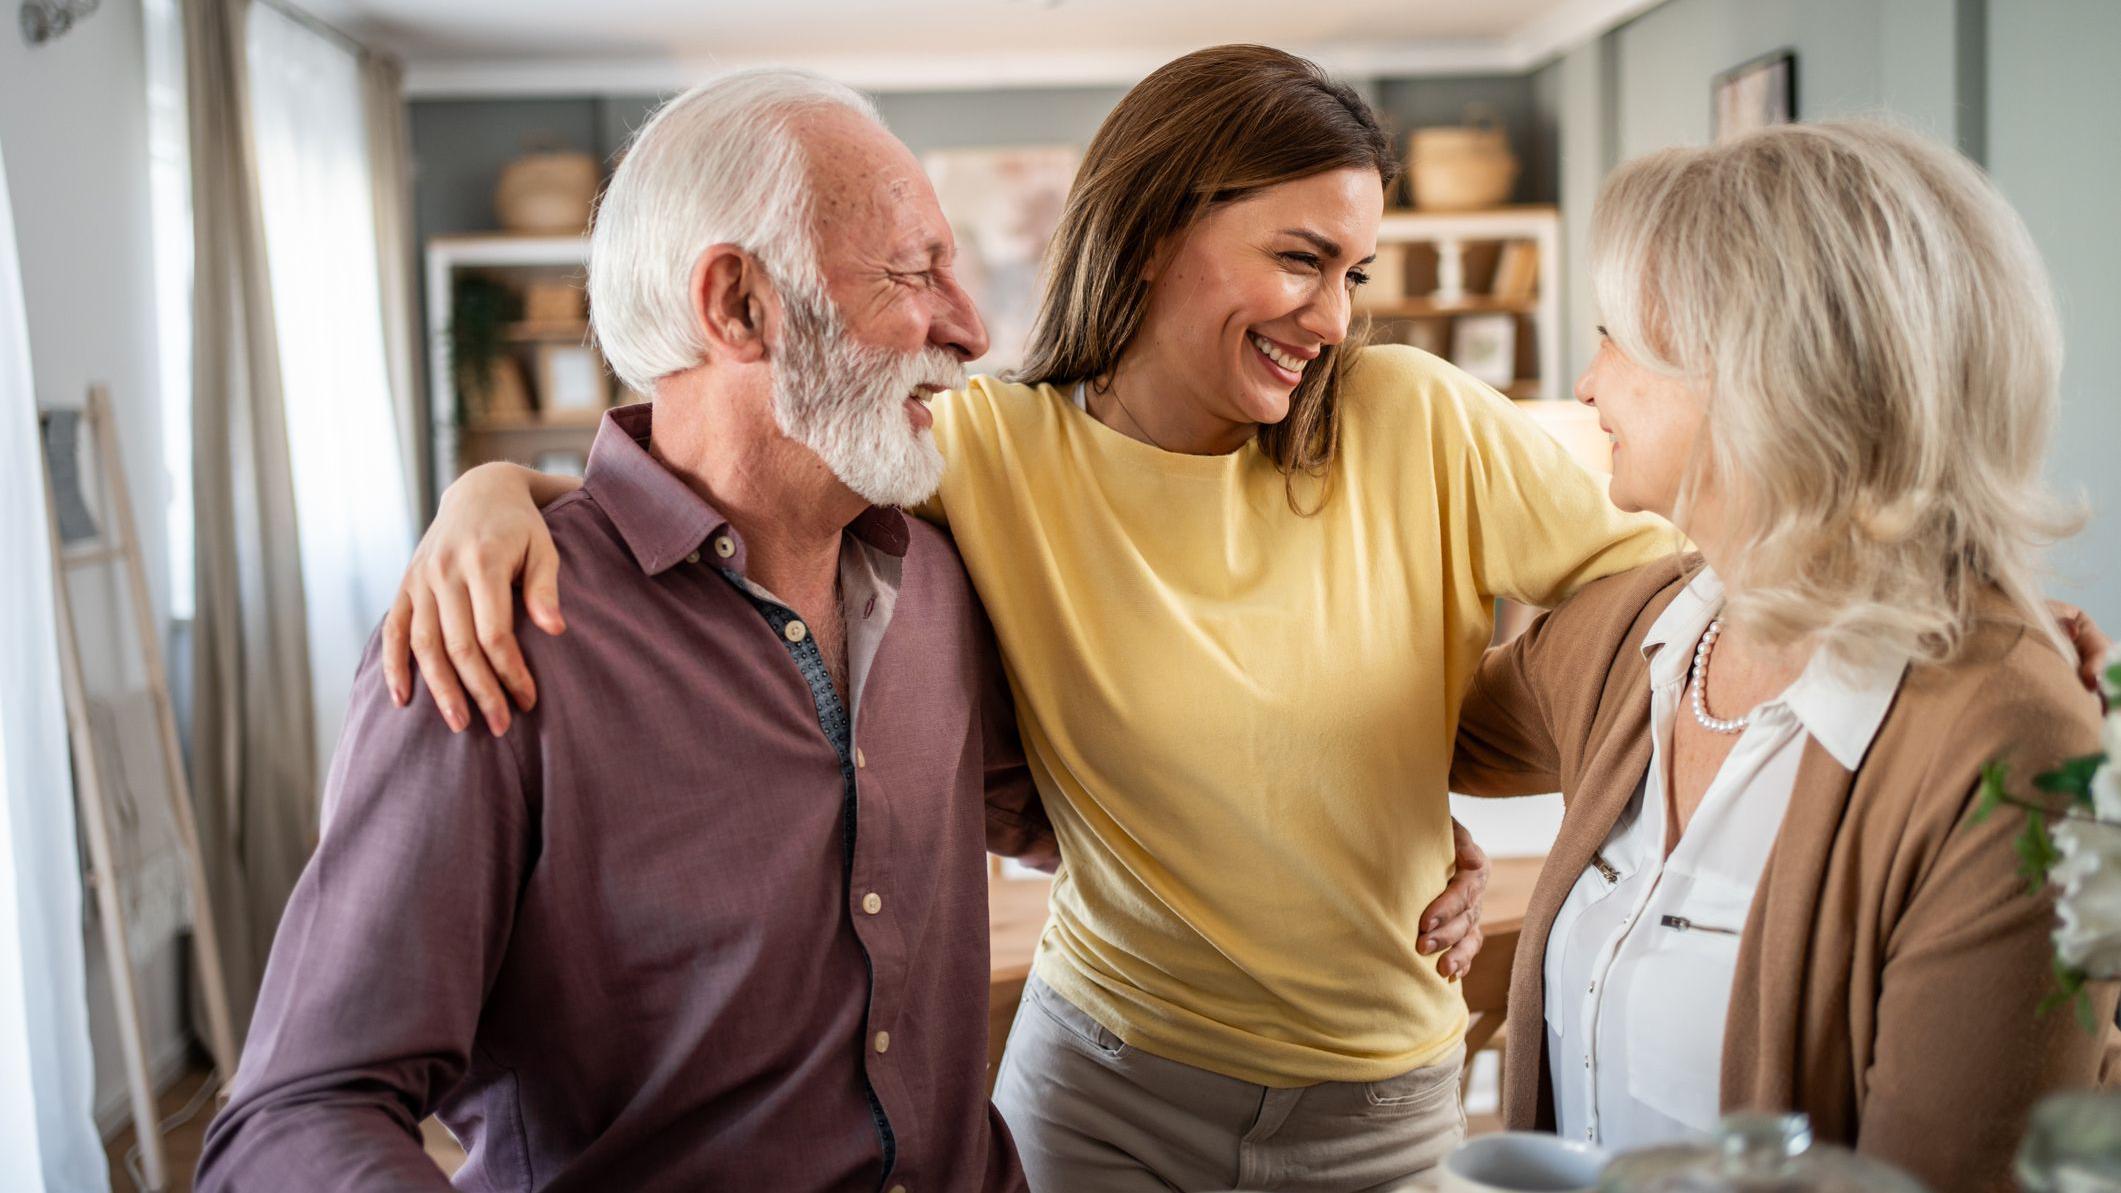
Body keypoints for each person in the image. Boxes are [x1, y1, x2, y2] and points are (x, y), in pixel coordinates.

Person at [386, 46, 1674, 1189]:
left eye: (1354, 272)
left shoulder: (1414, 416)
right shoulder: (988, 447)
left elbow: (1660, 596)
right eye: (1299, 259)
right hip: (1102, 1084)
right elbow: (730, 460)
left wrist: (1450, 743)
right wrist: (496, 491)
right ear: (1157, 229)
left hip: (1386, 1097)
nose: (1333, 317)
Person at [197, 71, 1046, 1193]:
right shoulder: (498, 635)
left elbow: (1072, 822)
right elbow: (299, 1115)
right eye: (913, 272)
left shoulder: (937, 578)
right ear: (739, 304)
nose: (972, 329)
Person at [1447, 120, 2119, 1191]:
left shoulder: (2011, 746)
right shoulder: (1643, 630)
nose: (1586, 380)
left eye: (1617, 335)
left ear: (1757, 374)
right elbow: (1399, 720)